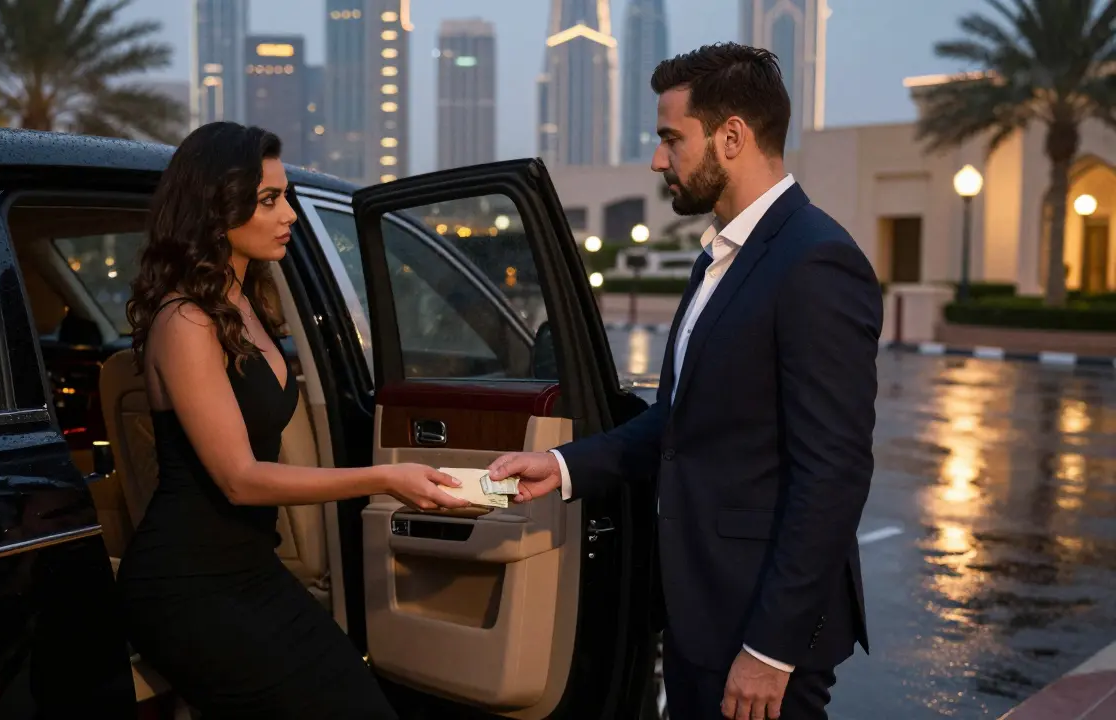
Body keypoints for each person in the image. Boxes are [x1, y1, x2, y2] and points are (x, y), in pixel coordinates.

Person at [487, 44, 881, 720]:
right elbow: (677, 422)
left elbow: (834, 473)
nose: (657, 159)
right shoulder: (716, 263)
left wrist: (771, 649)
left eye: (672, 138)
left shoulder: (816, 262)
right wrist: (561, 464)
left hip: (760, 634)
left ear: (732, 136)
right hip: (699, 616)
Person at [115, 121, 470, 719]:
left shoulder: (245, 305)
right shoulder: (186, 321)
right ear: (216, 206)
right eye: (269, 200)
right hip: (188, 586)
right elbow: (241, 479)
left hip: (249, 570)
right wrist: (384, 478)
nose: (290, 217)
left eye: (285, 199)